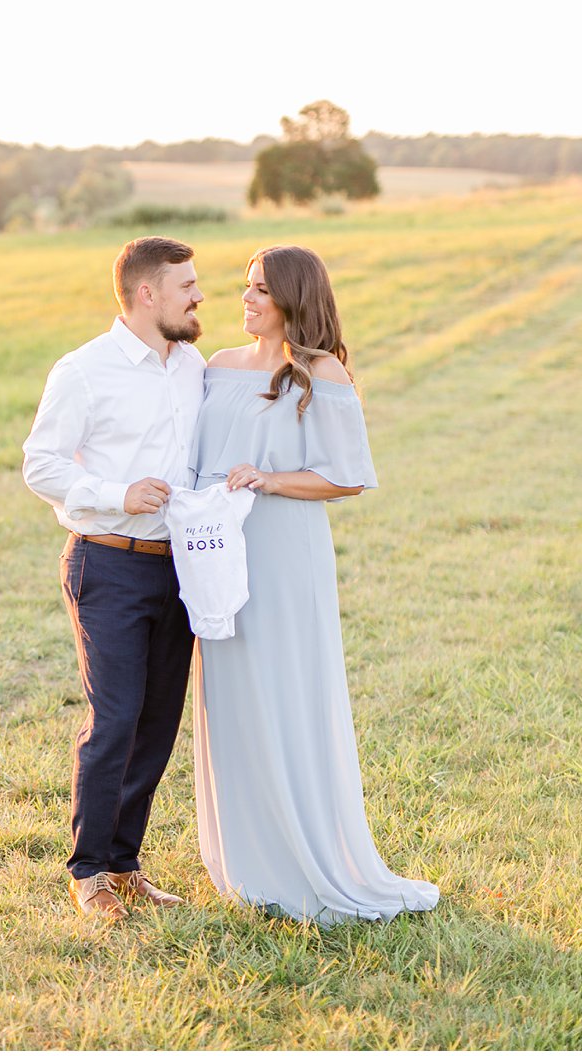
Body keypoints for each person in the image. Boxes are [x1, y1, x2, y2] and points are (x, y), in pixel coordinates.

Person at [188, 244, 439, 924]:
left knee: (287, 691)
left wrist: (266, 478)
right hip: (219, 552)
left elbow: (348, 475)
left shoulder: (320, 373)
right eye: (244, 286)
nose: (245, 299)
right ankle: (249, 860)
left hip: (284, 549)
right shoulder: (217, 367)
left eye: (260, 290)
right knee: (233, 695)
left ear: (293, 299)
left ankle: (307, 858)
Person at [21, 236, 207, 922]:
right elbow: (40, 464)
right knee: (117, 717)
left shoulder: (191, 367)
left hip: (182, 568)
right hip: (108, 561)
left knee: (158, 722)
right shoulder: (84, 370)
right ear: (146, 294)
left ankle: (127, 864)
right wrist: (115, 493)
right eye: (187, 285)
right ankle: (89, 871)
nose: (199, 296)